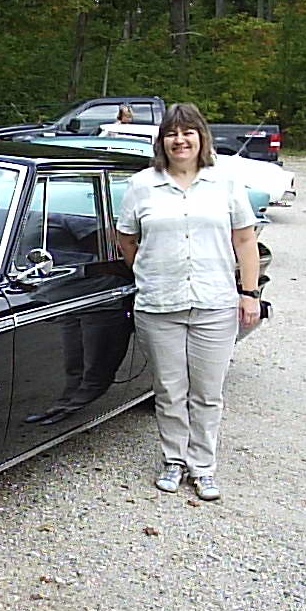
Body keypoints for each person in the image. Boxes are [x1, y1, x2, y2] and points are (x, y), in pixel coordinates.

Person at [115, 103, 261, 501]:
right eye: (172, 134)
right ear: (162, 141)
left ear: (201, 137)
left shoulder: (225, 181)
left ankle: (203, 465)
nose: (180, 141)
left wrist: (249, 293)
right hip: (160, 304)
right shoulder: (143, 185)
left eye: (188, 132)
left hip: (214, 302)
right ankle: (174, 460)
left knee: (208, 391)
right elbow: (127, 238)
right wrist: (148, 270)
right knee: (169, 388)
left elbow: (245, 240)